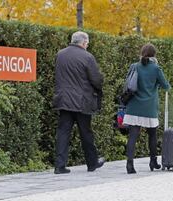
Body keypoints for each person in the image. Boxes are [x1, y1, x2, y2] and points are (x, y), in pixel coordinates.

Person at [53, 31, 105, 174]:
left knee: (63, 133)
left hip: (64, 100)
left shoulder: (60, 54)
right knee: (86, 133)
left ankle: (59, 165)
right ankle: (92, 163)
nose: (87, 46)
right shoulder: (87, 57)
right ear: (83, 43)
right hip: (82, 102)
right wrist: (99, 88)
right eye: (87, 43)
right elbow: (96, 79)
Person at [123, 43, 171, 174]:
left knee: (132, 136)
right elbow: (166, 86)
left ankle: (129, 164)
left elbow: (127, 84)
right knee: (152, 136)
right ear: (154, 55)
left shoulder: (134, 66)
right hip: (149, 108)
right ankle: (153, 161)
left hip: (133, 106)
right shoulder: (156, 68)